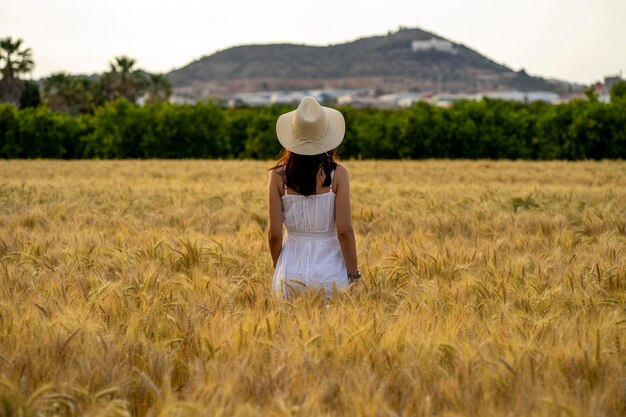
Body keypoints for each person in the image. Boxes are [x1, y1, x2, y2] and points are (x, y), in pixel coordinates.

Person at [267, 96, 360, 299]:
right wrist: (354, 276)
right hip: (330, 273)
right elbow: (344, 231)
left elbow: (274, 234)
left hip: (289, 273)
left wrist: (280, 268)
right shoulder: (339, 174)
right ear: (327, 136)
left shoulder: (277, 176)